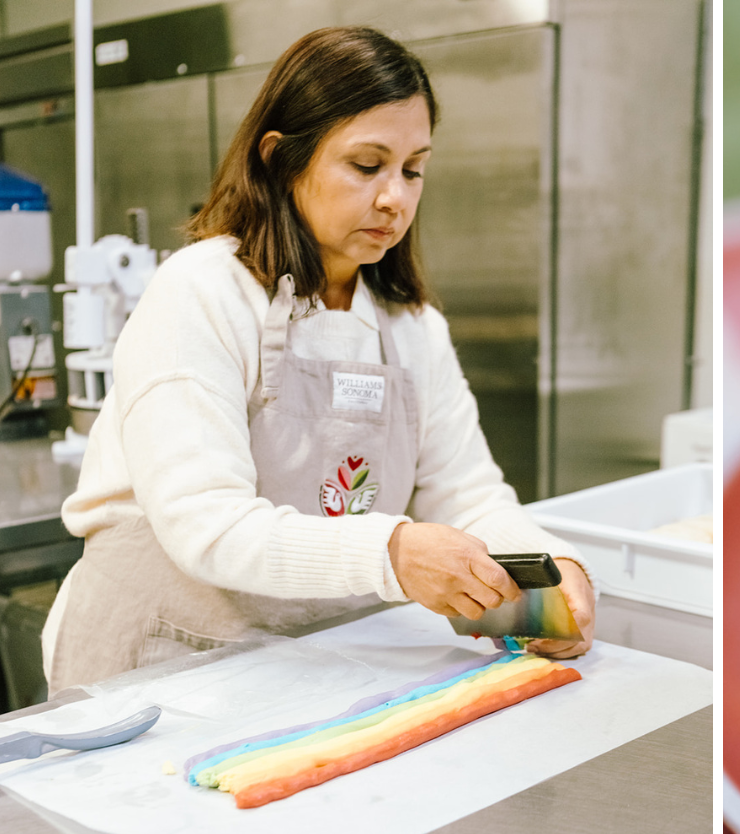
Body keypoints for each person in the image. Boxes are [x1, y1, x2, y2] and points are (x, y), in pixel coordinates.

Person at [42, 26, 594, 689]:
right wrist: (391, 551)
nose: (396, 198)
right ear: (281, 160)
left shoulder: (412, 328)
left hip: (314, 660)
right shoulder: (202, 293)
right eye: (367, 166)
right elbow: (206, 525)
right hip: (159, 660)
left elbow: (468, 496)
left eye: (413, 169)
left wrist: (556, 570)